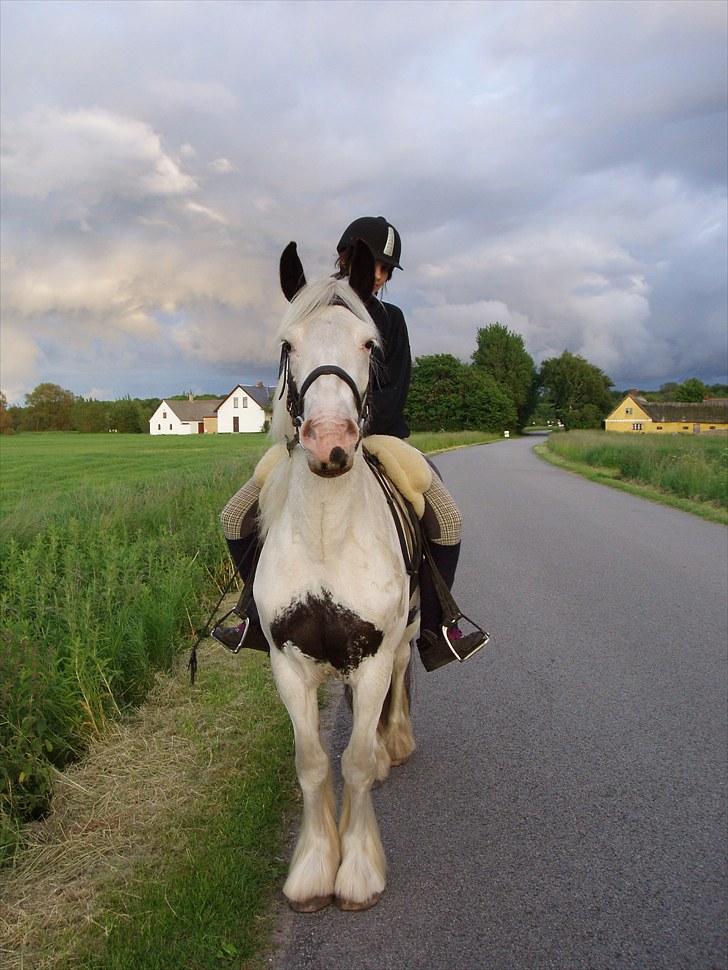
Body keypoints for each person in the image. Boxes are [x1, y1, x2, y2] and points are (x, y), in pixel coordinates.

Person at [215, 216, 487, 670]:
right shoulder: (313, 310)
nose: (378, 275)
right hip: (309, 437)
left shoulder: (390, 321)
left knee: (448, 518)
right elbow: (293, 382)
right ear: (346, 256)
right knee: (234, 515)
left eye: (385, 269)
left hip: (380, 439)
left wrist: (351, 424)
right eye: (374, 265)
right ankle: (255, 615)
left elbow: (395, 387)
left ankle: (439, 625)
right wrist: (306, 424)